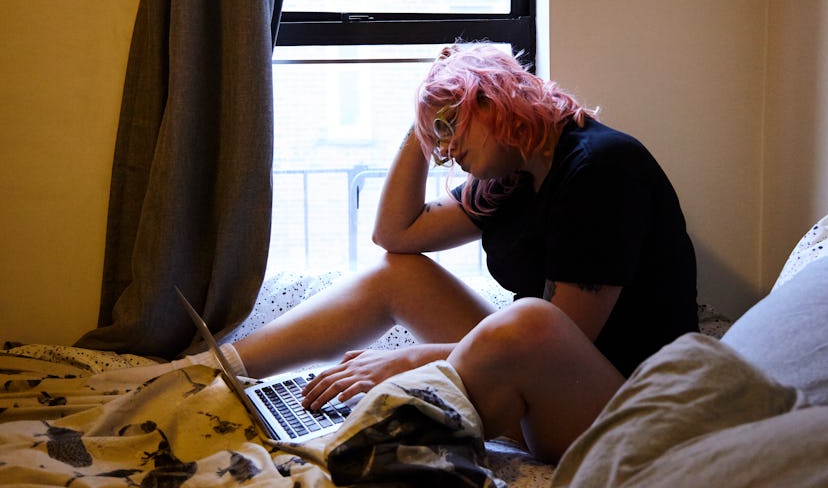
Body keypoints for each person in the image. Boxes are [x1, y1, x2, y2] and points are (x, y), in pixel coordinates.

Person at [195, 41, 698, 463]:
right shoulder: (514, 175)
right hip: (549, 378)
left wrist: (407, 359)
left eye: (447, 128)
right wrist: (426, 114)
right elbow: (395, 234)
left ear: (492, 100)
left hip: (627, 410)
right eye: (435, 137)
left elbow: (563, 335)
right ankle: (208, 374)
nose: (445, 153)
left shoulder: (600, 167)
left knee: (529, 320)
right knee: (399, 273)